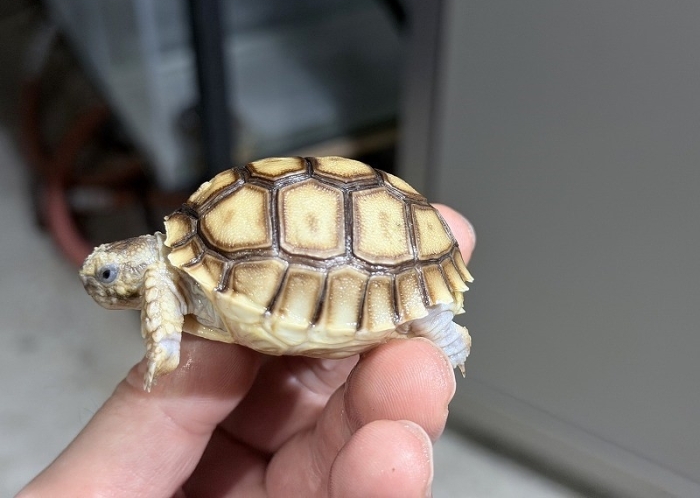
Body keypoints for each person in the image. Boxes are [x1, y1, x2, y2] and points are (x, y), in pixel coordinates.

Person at [19, 206, 475, 498]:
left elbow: (161, 278)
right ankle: (433, 320)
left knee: (419, 346)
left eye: (108, 276)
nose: (104, 286)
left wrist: (164, 344)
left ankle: (435, 319)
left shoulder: (164, 270)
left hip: (369, 253)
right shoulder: (186, 261)